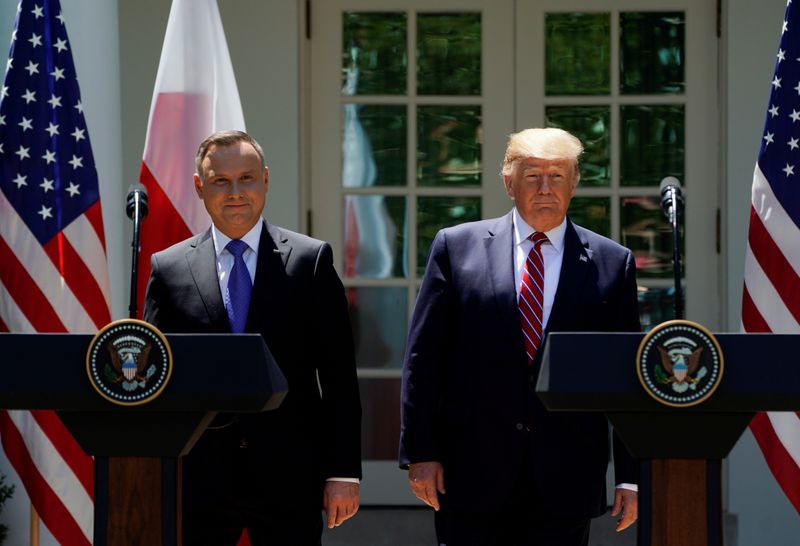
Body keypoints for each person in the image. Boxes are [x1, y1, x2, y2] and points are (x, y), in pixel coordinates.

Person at [399, 128, 639, 546]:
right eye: (532, 177)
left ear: (575, 182)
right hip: (472, 473)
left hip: (567, 475)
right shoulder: (456, 248)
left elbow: (624, 376)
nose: (545, 189)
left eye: (557, 176)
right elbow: (424, 360)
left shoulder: (611, 263)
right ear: (509, 182)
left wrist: (632, 478)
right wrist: (421, 452)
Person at [143, 130, 361, 545]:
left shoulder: (310, 260)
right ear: (198, 186)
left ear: (265, 179)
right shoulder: (168, 269)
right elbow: (156, 379)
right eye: (220, 181)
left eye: (246, 178)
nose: (235, 192)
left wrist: (343, 472)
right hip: (197, 476)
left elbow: (338, 378)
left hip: (290, 472)